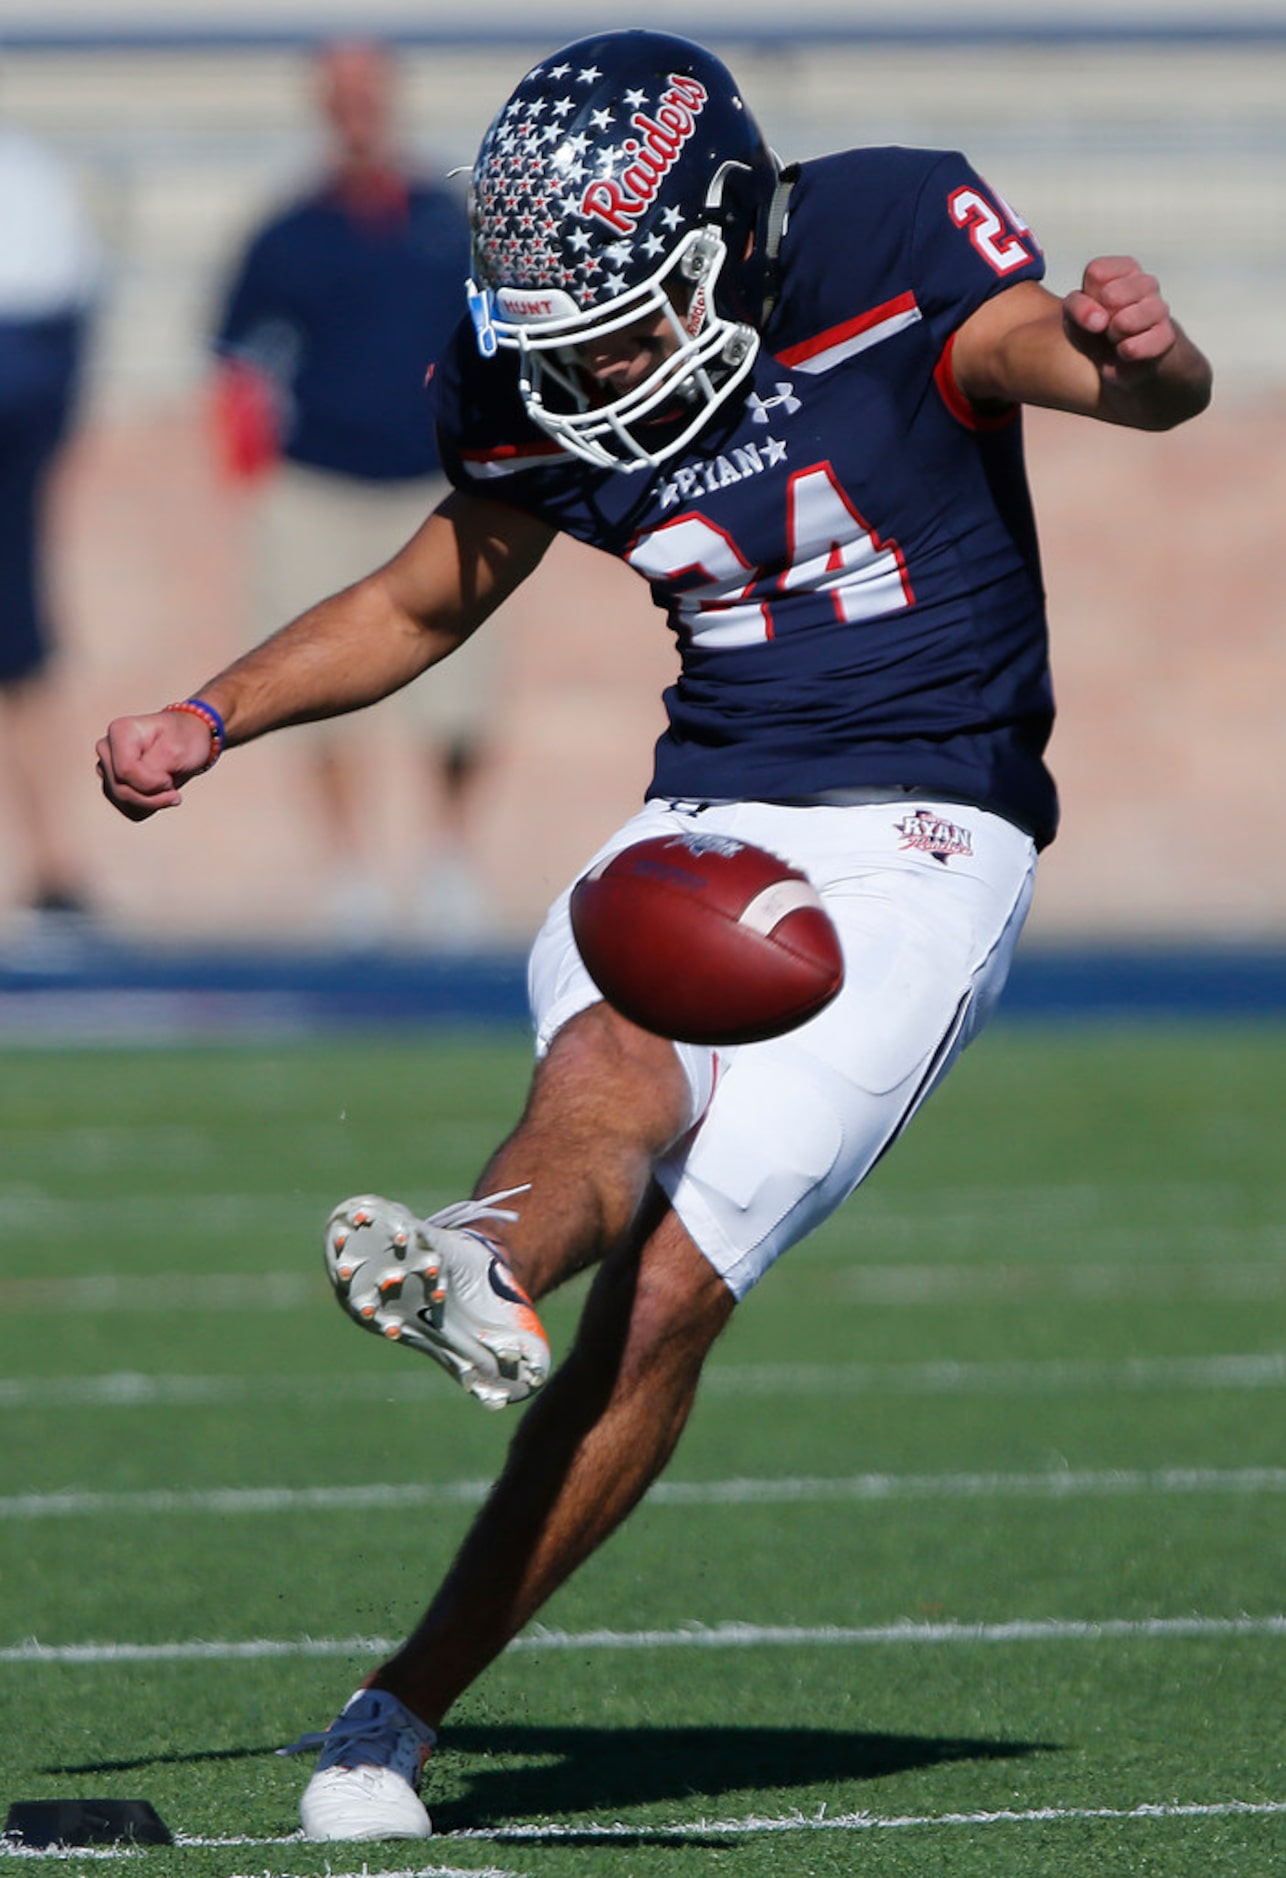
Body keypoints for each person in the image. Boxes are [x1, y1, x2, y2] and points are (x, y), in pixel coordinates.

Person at [97, 29, 1212, 1843]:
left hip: (932, 829)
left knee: (677, 1290)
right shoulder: (533, 370)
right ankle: (479, 1254)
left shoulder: (875, 235)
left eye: (615, 319)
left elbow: (1048, 362)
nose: (580, 366)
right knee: (608, 1050)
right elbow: (424, 588)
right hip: (709, 802)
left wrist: (1143, 364)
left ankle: (397, 1706)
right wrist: (208, 716)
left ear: (718, 245)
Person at [212, 38, 494, 944]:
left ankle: (449, 858)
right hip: (320, 482)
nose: (356, 111)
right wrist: (252, 475)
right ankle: (351, 873)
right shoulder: (286, 231)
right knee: (313, 675)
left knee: (463, 691)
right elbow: (236, 360)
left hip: (435, 482)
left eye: (368, 93)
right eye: (341, 95)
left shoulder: (446, 221)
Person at [0, 120, 99, 935]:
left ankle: (53, 863)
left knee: (20, 647)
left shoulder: (27, 173)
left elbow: (52, 340)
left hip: (25, 380)